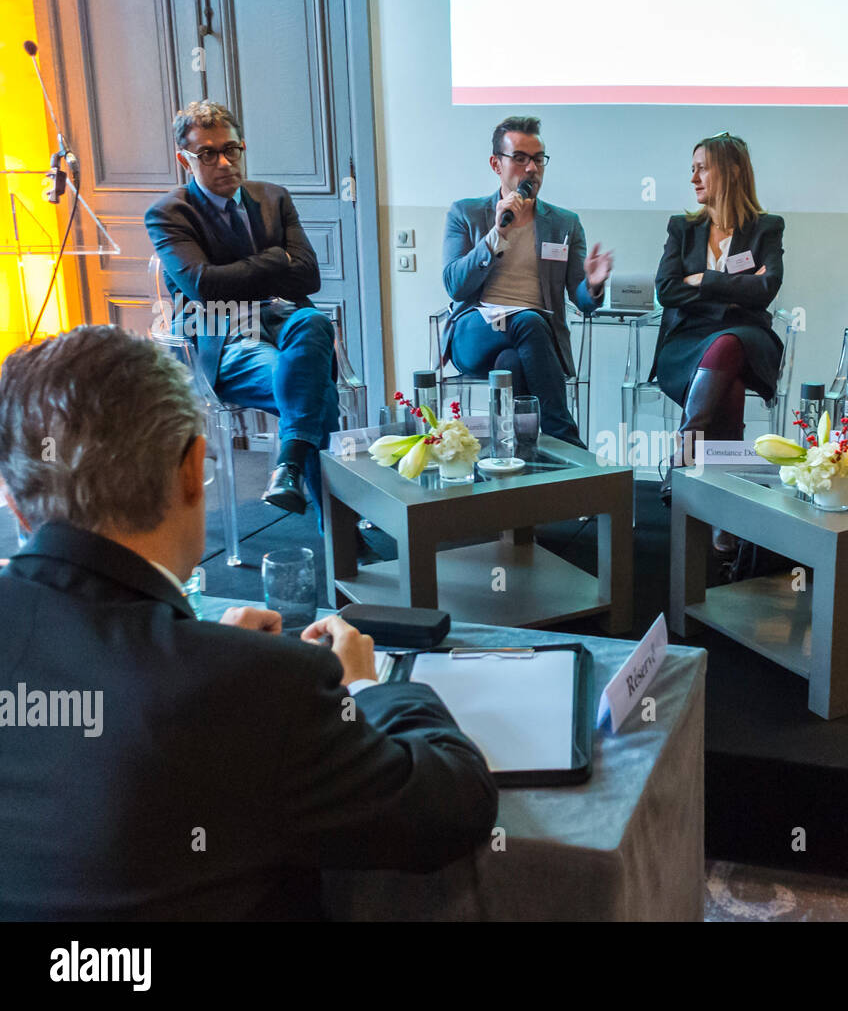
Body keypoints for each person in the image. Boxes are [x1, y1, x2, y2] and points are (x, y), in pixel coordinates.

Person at [0, 326, 498, 920]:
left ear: (14, 503)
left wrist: (211, 657)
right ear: (192, 470)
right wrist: (366, 688)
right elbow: (454, 806)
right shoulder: (263, 687)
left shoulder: (234, 678)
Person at [145, 100, 337, 519]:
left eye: (231, 149)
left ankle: (288, 469)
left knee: (314, 320)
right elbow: (204, 287)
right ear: (185, 160)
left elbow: (308, 277)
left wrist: (248, 271)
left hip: (285, 318)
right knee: (315, 391)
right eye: (207, 154)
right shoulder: (168, 213)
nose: (224, 162)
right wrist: (275, 260)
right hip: (222, 333)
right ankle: (342, 532)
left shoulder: (272, 197)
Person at [441, 115, 612, 447]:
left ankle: (522, 460)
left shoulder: (564, 223)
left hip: (533, 344)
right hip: (475, 331)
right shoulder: (466, 213)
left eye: (537, 159)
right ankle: (567, 441)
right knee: (529, 320)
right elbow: (454, 285)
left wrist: (593, 283)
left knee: (512, 364)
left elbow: (582, 299)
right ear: (496, 164)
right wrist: (498, 233)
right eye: (520, 158)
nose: (531, 168)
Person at [653, 132, 784, 540]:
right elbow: (666, 289)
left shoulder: (765, 229)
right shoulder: (683, 228)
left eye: (702, 168)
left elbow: (767, 289)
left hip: (746, 337)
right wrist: (733, 287)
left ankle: (684, 455)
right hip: (687, 341)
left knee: (727, 345)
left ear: (730, 172)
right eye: (691, 168)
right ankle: (726, 521)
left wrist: (703, 279)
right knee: (727, 384)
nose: (693, 177)